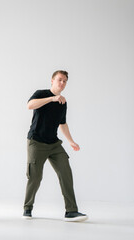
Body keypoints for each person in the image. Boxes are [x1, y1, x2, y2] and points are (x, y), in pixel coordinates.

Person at [23, 70, 88, 222]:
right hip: (36, 142)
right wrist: (52, 98)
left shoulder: (63, 102)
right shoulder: (41, 93)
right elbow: (29, 105)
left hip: (54, 144)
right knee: (35, 177)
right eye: (59, 80)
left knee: (66, 172)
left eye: (65, 81)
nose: (62, 83)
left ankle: (71, 211)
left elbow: (62, 123)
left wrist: (71, 141)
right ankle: (27, 208)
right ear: (52, 80)